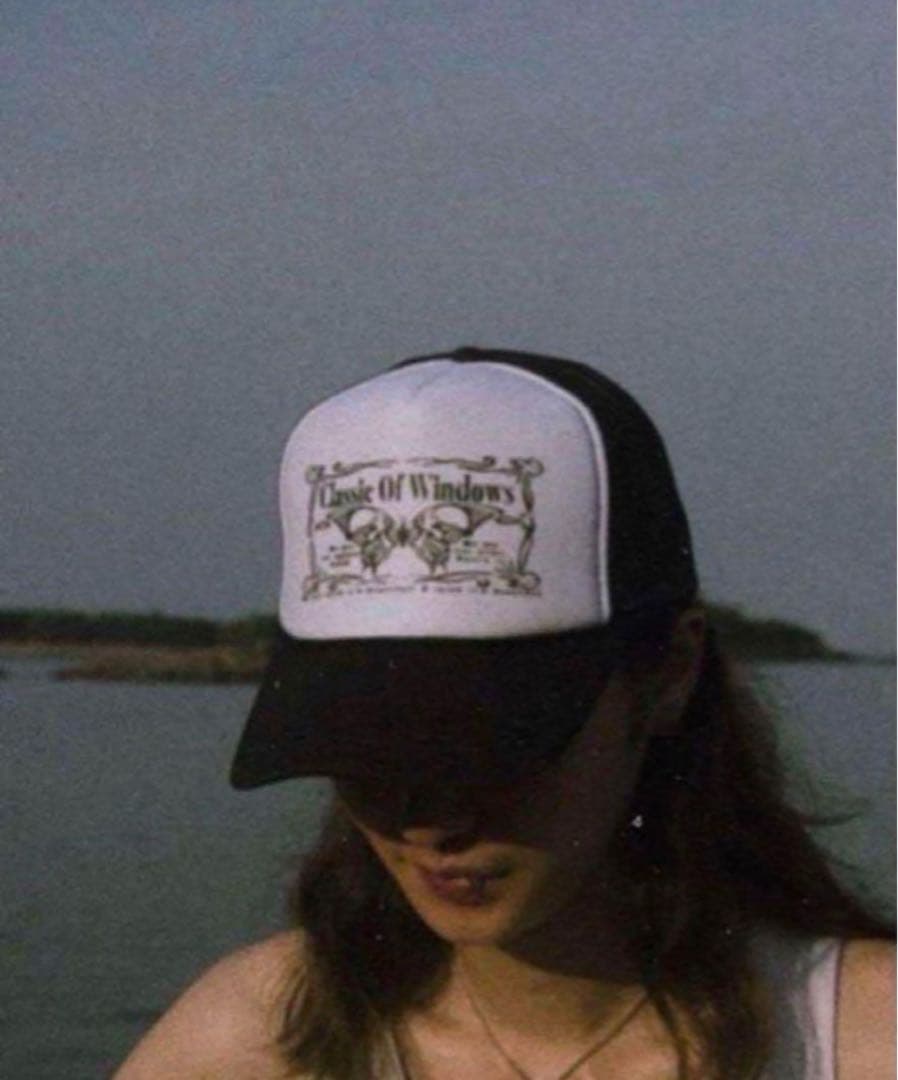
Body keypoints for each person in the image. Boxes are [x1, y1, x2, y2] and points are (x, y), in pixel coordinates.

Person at [113, 348, 894, 1079]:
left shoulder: (866, 1039)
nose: (430, 819)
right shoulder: (251, 1040)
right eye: (369, 745)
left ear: (668, 673)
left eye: (487, 744)